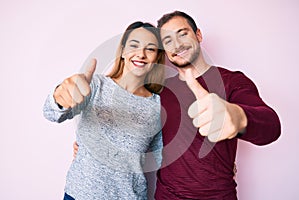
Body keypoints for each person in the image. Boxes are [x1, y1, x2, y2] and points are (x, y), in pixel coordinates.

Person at [153, 10, 281, 200]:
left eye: (183, 34)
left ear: (198, 35)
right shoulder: (162, 91)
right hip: (166, 196)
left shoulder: (232, 81)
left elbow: (271, 126)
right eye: (168, 41)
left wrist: (238, 117)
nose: (177, 45)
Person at [43, 21, 165, 200]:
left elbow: (158, 158)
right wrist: (59, 97)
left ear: (156, 58)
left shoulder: (157, 105)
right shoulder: (95, 85)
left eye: (151, 49)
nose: (141, 54)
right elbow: (50, 113)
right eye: (134, 45)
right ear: (123, 51)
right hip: (80, 194)